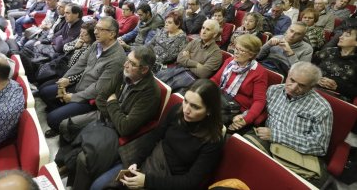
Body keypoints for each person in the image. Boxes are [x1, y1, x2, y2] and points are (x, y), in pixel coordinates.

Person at [90, 79, 224, 190]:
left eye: (195, 107)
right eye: (186, 101)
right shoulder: (177, 111)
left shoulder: (213, 140)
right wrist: (136, 161)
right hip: (151, 159)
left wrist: (147, 181)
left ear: (209, 111)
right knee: (98, 186)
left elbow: (190, 182)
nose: (186, 110)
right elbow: (154, 136)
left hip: (167, 180)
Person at [66, 46, 162, 189]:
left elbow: (125, 128)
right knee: (65, 126)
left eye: (132, 63)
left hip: (118, 133)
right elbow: (100, 98)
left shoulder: (151, 93)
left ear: (144, 70)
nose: (125, 64)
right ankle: (68, 167)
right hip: (107, 118)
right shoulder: (123, 72)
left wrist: (112, 103)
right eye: (127, 60)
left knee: (84, 158)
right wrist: (115, 113)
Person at [244, 62, 332, 188]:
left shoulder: (322, 108)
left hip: (297, 153)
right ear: (288, 74)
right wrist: (244, 116)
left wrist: (276, 135)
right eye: (292, 80)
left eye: (302, 85)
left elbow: (319, 146)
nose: (293, 87)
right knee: (240, 151)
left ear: (312, 86)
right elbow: (260, 110)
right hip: (267, 142)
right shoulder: (274, 90)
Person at [39, 17, 126, 137]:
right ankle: (63, 111)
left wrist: (74, 97)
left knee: (52, 119)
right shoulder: (96, 44)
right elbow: (80, 63)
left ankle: (63, 124)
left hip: (90, 99)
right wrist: (64, 80)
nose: (95, 32)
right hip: (79, 85)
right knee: (44, 92)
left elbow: (98, 89)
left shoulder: (117, 59)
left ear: (112, 34)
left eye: (100, 29)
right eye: (95, 28)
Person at [211, 34, 267, 129]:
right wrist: (203, 89)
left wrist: (246, 119)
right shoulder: (230, 62)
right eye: (236, 48)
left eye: (241, 50)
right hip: (221, 98)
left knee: (209, 119)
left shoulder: (259, 72)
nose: (235, 52)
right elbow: (215, 80)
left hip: (238, 110)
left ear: (251, 54)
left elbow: (259, 101)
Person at [157, 20, 222, 92]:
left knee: (165, 90)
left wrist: (188, 59)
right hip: (179, 69)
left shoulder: (216, 53)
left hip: (192, 79)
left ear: (215, 34)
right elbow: (179, 58)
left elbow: (203, 73)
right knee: (157, 80)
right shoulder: (195, 41)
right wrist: (196, 64)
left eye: (208, 29)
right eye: (203, 28)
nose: (203, 31)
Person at [314, 27, 357, 102]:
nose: (341, 37)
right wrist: (315, 79)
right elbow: (309, 68)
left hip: (337, 100)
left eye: (347, 35)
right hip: (314, 90)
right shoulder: (328, 51)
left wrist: (337, 86)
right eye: (342, 34)